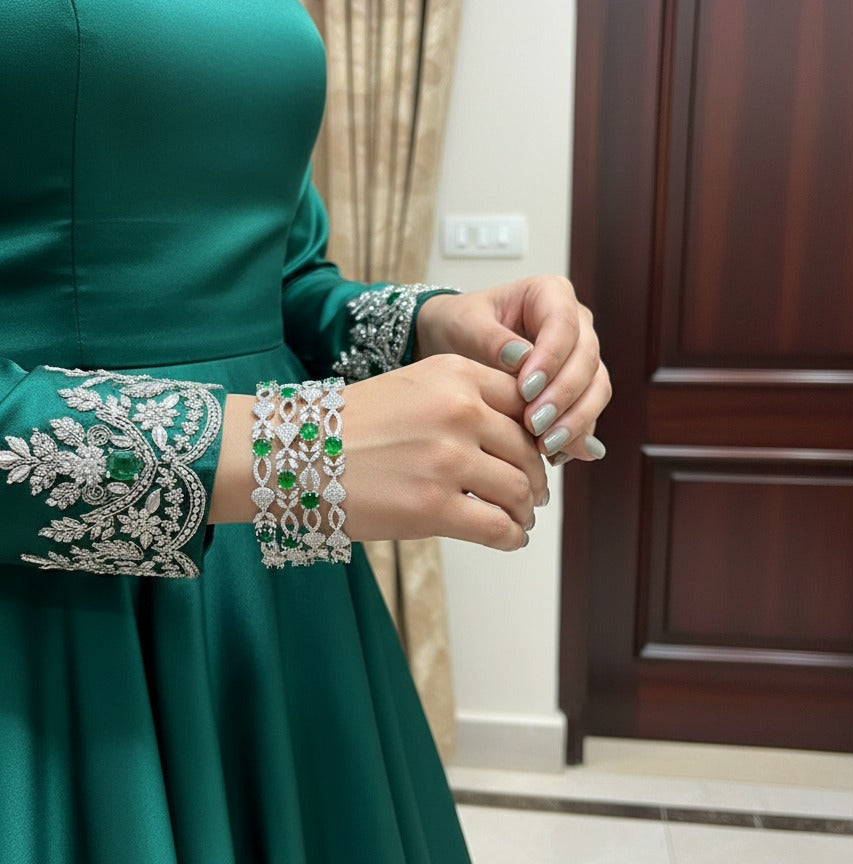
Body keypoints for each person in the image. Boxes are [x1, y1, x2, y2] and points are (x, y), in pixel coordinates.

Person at [0, 1, 611, 862]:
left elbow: (280, 279)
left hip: (276, 587)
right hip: (51, 620)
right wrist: (300, 455)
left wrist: (432, 323)